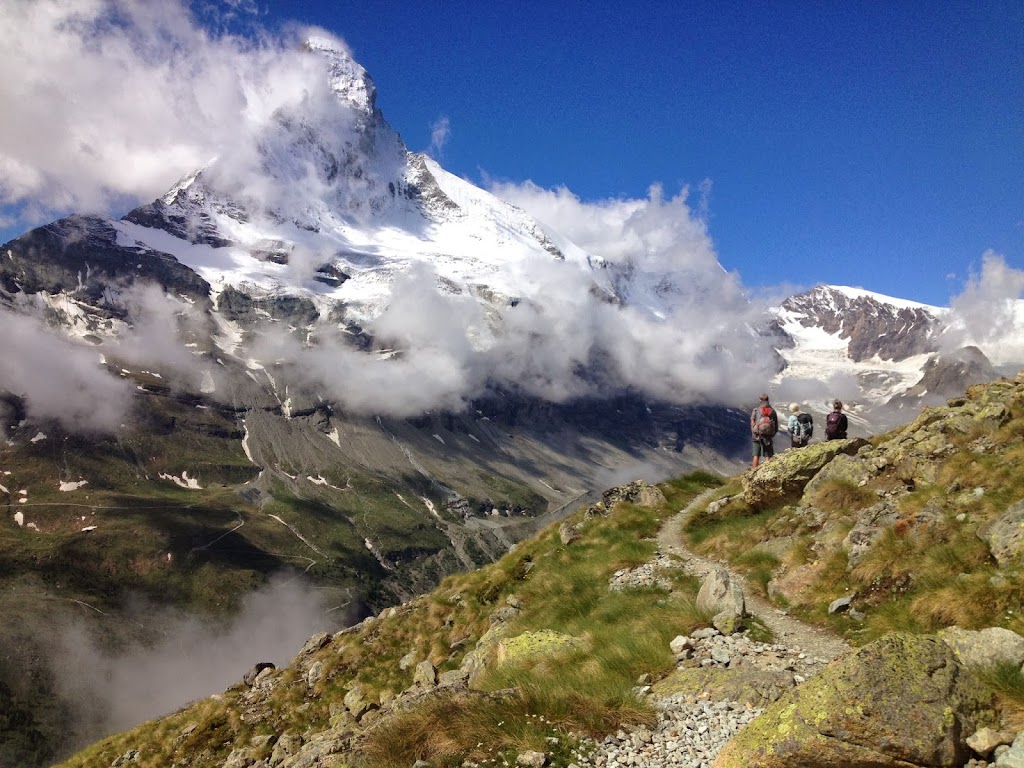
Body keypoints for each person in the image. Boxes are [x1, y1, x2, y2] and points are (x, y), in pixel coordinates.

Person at [750, 393, 779, 468]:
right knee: (768, 454)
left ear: (760, 401)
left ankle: (754, 471)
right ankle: (767, 471)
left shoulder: (756, 410)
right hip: (768, 435)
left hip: (757, 435)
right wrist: (772, 433)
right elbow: (775, 424)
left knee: (756, 455)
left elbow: (752, 422)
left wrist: (754, 431)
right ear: (768, 400)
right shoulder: (772, 411)